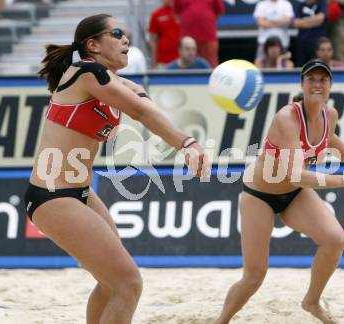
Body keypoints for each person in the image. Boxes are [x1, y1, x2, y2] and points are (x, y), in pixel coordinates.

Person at [28, 14, 209, 323]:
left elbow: (140, 98)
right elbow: (140, 109)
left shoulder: (108, 78)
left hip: (80, 192)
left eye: (126, 34)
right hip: (53, 195)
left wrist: (145, 102)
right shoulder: (86, 72)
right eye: (116, 33)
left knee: (112, 284)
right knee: (129, 284)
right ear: (93, 45)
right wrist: (187, 143)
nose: (126, 40)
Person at [214, 59, 344, 324]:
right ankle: (220, 321)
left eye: (322, 79)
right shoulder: (287, 117)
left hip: (294, 194)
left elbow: (331, 141)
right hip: (259, 195)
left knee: (335, 239)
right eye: (311, 79)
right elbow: (295, 174)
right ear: (302, 84)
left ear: (330, 85)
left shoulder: (330, 114)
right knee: (254, 276)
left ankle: (311, 301)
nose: (317, 84)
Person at [173, 0, 224, 67]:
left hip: (208, 38)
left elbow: (219, 12)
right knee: (185, 65)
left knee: (211, 66)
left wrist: (205, 20)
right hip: (187, 40)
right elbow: (176, 13)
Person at [293, 0, 328, 66]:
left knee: (318, 67)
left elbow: (321, 19)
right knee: (301, 67)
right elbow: (296, 23)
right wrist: (315, 21)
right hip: (302, 44)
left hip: (318, 44)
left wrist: (304, 20)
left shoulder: (321, 3)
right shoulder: (300, 5)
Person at [148, 0, 180, 69]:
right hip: (163, 62)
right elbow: (153, 41)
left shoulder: (181, 13)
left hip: (180, 62)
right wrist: (154, 63)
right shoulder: (156, 15)